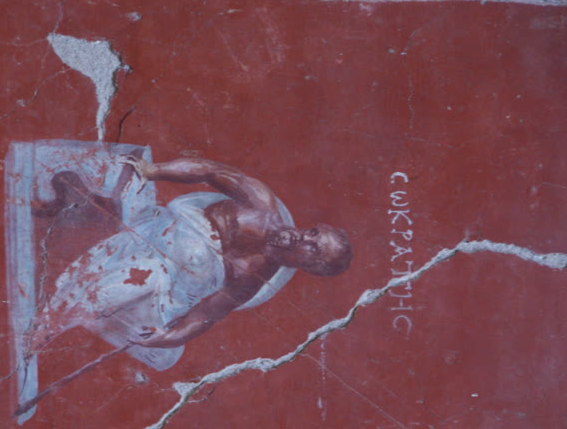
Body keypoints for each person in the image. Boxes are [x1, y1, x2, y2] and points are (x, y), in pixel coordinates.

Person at [26, 155, 352, 370]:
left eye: (313, 249)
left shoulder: (253, 278)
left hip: (165, 278)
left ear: (309, 267)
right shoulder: (261, 204)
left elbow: (206, 314)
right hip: (156, 232)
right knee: (121, 176)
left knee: (134, 288)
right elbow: (209, 171)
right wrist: (154, 171)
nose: (303, 238)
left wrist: (168, 338)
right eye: (312, 233)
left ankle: (53, 322)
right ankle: (70, 205)